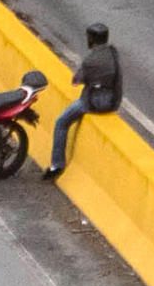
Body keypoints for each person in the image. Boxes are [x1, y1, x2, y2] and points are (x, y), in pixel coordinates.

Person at [44, 22, 121, 178]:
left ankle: (56, 165)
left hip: (93, 102)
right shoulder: (113, 53)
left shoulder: (90, 61)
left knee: (61, 123)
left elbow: (76, 81)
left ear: (92, 39)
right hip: (112, 100)